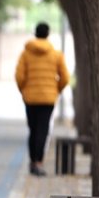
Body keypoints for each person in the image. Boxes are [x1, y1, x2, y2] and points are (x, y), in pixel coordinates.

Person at [15, 22, 70, 177]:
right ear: (48, 34)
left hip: (30, 98)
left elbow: (19, 76)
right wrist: (56, 89)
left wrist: (24, 90)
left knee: (32, 129)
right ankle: (39, 162)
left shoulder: (25, 54)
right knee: (43, 130)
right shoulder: (56, 54)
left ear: (35, 33)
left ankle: (32, 161)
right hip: (48, 98)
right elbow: (65, 77)